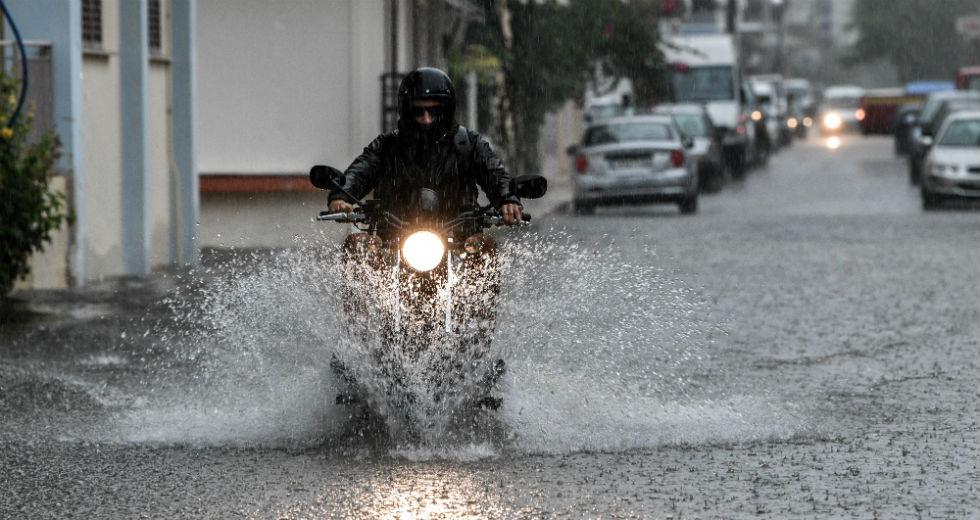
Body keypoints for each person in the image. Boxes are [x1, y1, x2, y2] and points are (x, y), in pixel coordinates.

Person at [327, 67, 522, 228]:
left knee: (484, 249)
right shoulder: (388, 146)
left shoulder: (468, 144)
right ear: (406, 110)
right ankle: (363, 277)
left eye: (434, 111)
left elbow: (493, 171)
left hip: (459, 236)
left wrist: (507, 199)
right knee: (359, 246)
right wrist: (341, 195)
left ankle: (480, 277)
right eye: (418, 111)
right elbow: (362, 170)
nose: (427, 118)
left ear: (446, 110)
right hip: (394, 236)